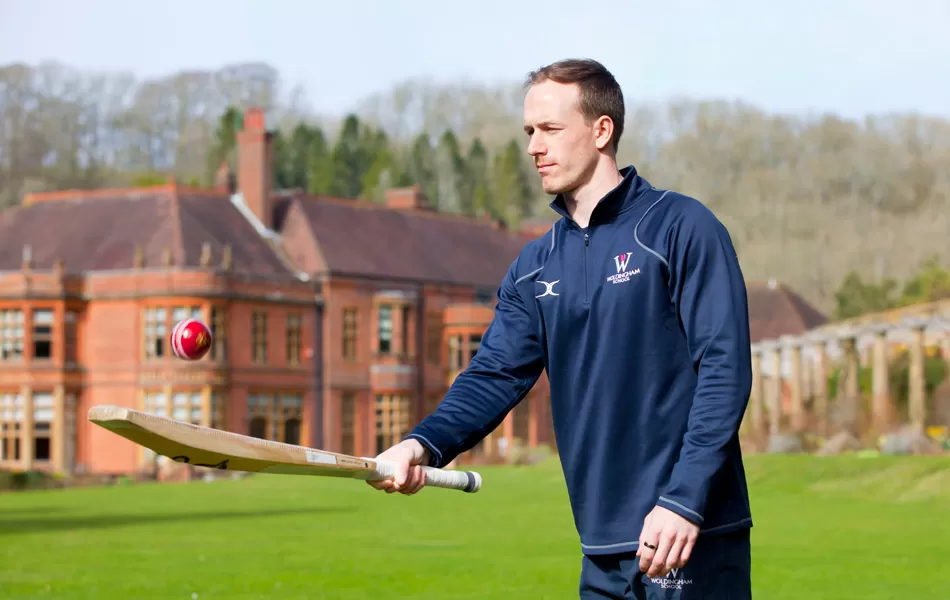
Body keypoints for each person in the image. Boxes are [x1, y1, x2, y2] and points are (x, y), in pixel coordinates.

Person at [368, 58, 754, 599]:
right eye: (529, 131)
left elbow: (724, 370)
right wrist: (421, 444)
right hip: (601, 548)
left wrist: (684, 499)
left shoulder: (680, 228)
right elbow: (494, 375)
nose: (534, 147)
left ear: (601, 130)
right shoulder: (534, 265)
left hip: (691, 535)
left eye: (550, 129)